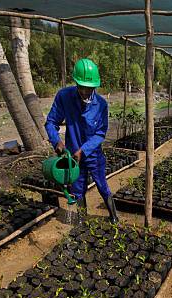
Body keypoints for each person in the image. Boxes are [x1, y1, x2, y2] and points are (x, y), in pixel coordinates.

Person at [45, 58, 119, 223]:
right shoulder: (64, 96)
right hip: (72, 155)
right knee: (77, 189)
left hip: (92, 154)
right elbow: (51, 122)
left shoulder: (101, 104)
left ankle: (114, 217)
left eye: (89, 88)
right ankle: (82, 220)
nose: (86, 91)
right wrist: (56, 141)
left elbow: (100, 133)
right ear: (76, 83)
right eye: (82, 87)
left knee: (102, 185)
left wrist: (84, 150)